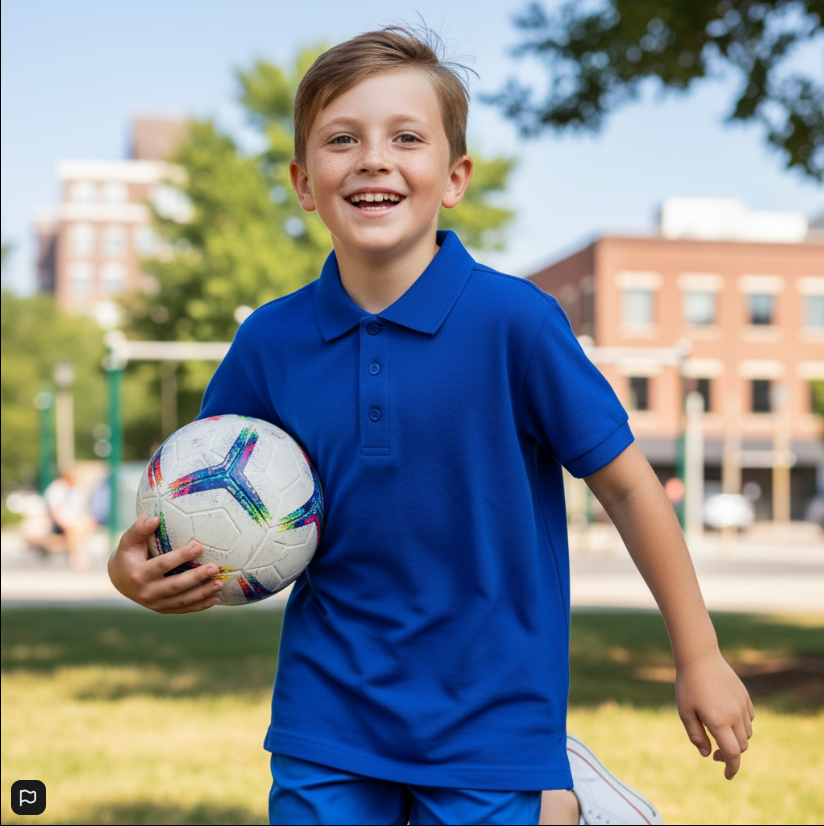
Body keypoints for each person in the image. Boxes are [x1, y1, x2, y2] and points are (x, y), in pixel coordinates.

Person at [108, 26, 753, 826]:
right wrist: (135, 576)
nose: (373, 159)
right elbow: (198, 505)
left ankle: (560, 803)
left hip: (491, 716)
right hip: (327, 715)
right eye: (342, 140)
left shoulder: (517, 323)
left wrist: (699, 657)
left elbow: (627, 490)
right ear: (305, 183)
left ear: (454, 177)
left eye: (405, 138)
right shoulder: (268, 343)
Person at [44, 468, 93, 569]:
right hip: (59, 521)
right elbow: (55, 510)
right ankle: (75, 555)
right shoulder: (56, 488)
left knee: (85, 525)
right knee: (73, 528)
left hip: (73, 518)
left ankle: (78, 551)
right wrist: (64, 522)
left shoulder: (73, 490)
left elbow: (79, 508)